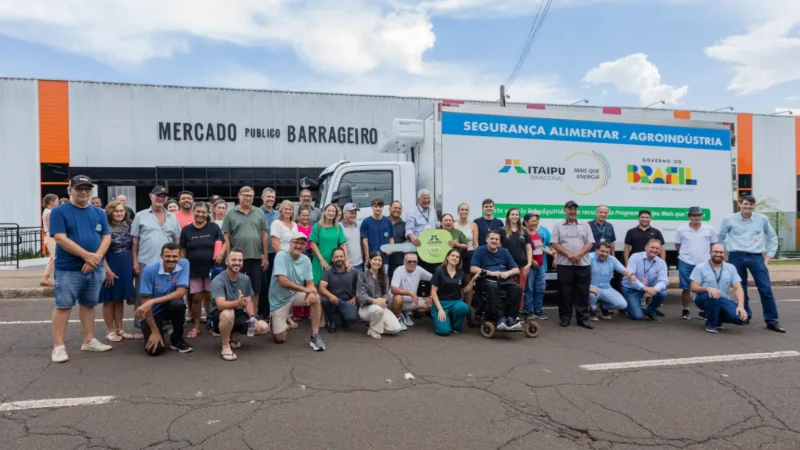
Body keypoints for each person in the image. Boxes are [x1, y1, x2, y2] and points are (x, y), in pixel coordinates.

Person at [49, 175, 113, 363]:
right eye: (79, 188)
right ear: (70, 191)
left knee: (89, 304)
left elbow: (106, 237)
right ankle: (58, 347)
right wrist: (87, 256)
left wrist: (95, 258)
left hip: (95, 267)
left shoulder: (99, 212)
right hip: (69, 268)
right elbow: (60, 238)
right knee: (63, 305)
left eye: (87, 188)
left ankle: (89, 340)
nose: (83, 192)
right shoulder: (59, 211)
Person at [718, 195, 784, 332]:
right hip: (736, 257)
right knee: (741, 288)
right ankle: (745, 315)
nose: (747, 207)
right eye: (745, 204)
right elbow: (721, 237)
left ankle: (772, 320)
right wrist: (724, 253)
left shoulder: (762, 219)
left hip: (756, 257)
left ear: (754, 206)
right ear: (740, 204)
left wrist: (769, 255)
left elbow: (772, 237)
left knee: (765, 289)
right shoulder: (729, 219)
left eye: (750, 205)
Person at [131, 186, 181, 337]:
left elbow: (176, 240)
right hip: (145, 261)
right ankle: (141, 326)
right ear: (150, 196)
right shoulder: (140, 216)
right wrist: (134, 261)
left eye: (163, 196)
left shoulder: (172, 217)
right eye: (157, 195)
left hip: (167, 263)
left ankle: (166, 324)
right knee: (143, 295)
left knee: (166, 293)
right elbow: (135, 241)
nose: (160, 198)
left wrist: (177, 260)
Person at [208, 248, 270, 361]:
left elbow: (248, 301)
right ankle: (225, 346)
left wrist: (252, 317)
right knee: (228, 313)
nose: (237, 263)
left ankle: (233, 337)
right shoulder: (218, 280)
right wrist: (237, 303)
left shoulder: (245, 279)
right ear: (227, 261)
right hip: (218, 317)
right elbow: (220, 305)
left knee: (264, 327)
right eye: (234, 260)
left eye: (240, 260)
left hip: (237, 313)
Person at [269, 231, 326, 351]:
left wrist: (311, 292)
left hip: (295, 295)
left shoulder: (306, 260)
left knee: (316, 298)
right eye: (296, 242)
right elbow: (282, 281)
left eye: (302, 243)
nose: (299, 246)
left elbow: (310, 282)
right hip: (279, 300)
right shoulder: (281, 256)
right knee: (280, 339)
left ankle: (315, 336)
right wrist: (306, 289)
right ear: (290, 243)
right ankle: (274, 321)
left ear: (305, 246)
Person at [134, 243, 193, 355]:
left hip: (169, 306)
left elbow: (180, 292)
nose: (171, 259)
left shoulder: (184, 264)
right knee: (155, 351)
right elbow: (145, 302)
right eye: (167, 256)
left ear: (180, 256)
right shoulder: (149, 270)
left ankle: (177, 339)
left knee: (178, 304)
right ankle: (157, 331)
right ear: (161, 256)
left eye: (174, 256)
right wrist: (155, 332)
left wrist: (153, 301)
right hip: (152, 312)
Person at [179, 202, 224, 339]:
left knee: (211, 297)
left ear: (208, 213)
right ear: (193, 212)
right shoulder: (186, 230)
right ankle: (196, 327)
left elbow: (224, 243)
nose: (200, 214)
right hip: (194, 269)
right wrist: (183, 268)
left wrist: (221, 253)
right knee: (197, 298)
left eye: (204, 212)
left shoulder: (213, 227)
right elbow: (182, 250)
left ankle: (213, 325)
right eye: (198, 211)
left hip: (212, 269)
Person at [222, 186, 269, 307]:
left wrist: (265, 256)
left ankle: (253, 314)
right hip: (237, 259)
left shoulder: (259, 213)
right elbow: (226, 237)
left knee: (255, 288)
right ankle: (237, 312)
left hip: (255, 257)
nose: (248, 198)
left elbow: (264, 235)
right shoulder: (230, 214)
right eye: (245, 195)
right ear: (239, 195)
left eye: (250, 196)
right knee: (235, 287)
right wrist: (228, 255)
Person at [551, 201, 594, 329]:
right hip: (564, 265)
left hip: (583, 264)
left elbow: (590, 242)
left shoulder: (585, 225)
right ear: (565, 210)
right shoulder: (558, 226)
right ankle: (565, 318)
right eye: (570, 209)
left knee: (583, 293)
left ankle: (583, 319)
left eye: (575, 209)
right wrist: (570, 255)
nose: (573, 211)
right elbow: (554, 243)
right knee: (565, 293)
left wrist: (579, 255)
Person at [470, 229, 522, 331]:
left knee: (517, 288)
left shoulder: (504, 252)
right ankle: (500, 318)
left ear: (499, 241)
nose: (494, 241)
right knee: (492, 286)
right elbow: (473, 268)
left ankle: (511, 318)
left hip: (503, 279)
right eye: (492, 238)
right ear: (486, 239)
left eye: (496, 239)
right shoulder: (479, 250)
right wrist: (491, 273)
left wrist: (508, 273)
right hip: (487, 279)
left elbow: (516, 269)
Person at [690, 243, 749, 334]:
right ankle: (711, 324)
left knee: (741, 319)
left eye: (721, 252)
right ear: (710, 253)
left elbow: (738, 288)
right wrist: (707, 288)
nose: (718, 254)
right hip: (703, 298)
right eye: (715, 252)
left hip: (723, 298)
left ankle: (713, 315)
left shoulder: (731, 268)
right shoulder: (700, 267)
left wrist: (741, 306)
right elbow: (693, 287)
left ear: (725, 254)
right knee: (713, 296)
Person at [99, 200, 135, 341]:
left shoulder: (128, 225)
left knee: (120, 297)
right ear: (110, 212)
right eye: (116, 211)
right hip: (110, 261)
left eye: (121, 211)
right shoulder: (104, 227)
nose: (119, 213)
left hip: (125, 262)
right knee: (109, 298)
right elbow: (100, 251)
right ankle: (109, 331)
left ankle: (119, 329)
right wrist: (107, 270)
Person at [675, 206, 718, 320]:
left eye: (698, 215)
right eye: (693, 215)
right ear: (689, 216)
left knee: (706, 287)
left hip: (704, 263)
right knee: (686, 288)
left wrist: (709, 258)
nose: (696, 217)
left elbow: (713, 244)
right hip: (686, 262)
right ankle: (686, 310)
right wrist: (686, 255)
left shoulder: (709, 229)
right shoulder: (681, 229)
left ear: (701, 216)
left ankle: (704, 311)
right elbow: (678, 245)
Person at [357, 252, 402, 338]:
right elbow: (361, 295)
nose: (377, 262)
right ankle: (374, 329)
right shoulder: (362, 275)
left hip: (381, 306)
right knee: (377, 309)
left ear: (382, 263)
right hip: (366, 308)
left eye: (379, 260)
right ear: (370, 260)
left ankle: (373, 327)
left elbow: (386, 293)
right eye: (375, 259)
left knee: (396, 329)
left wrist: (384, 300)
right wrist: (375, 301)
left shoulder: (384, 276)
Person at [588, 242, 637, 321]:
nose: (604, 254)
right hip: (590, 287)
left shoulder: (612, 259)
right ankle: (591, 310)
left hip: (606, 288)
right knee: (592, 295)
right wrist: (588, 287)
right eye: (602, 251)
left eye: (607, 252)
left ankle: (603, 307)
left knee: (622, 304)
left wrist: (631, 276)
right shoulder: (589, 257)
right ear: (596, 250)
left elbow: (624, 270)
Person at [430, 249, 475, 336]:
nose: (455, 258)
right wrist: (440, 309)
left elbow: (464, 290)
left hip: (456, 302)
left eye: (457, 257)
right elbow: (433, 292)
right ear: (447, 257)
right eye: (453, 255)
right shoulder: (439, 271)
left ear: (459, 260)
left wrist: (472, 281)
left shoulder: (461, 273)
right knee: (444, 331)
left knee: (464, 307)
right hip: (441, 303)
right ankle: (444, 321)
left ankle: (455, 326)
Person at [621, 239, 668, 321]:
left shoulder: (661, 262)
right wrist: (645, 288)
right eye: (652, 247)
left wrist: (655, 289)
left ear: (660, 250)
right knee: (638, 316)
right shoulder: (635, 257)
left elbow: (664, 280)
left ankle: (651, 311)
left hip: (647, 288)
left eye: (657, 248)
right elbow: (631, 276)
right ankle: (627, 306)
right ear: (646, 247)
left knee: (662, 292)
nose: (654, 250)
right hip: (631, 289)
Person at [319, 248, 359, 333]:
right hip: (333, 300)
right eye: (336, 257)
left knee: (352, 318)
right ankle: (332, 321)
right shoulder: (328, 271)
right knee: (325, 300)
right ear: (332, 259)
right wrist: (330, 296)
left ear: (345, 257)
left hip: (347, 301)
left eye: (341, 256)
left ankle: (344, 318)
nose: (339, 258)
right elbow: (321, 287)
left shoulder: (352, 270)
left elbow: (362, 285)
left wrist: (355, 297)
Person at [522, 211, 554, 320]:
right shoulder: (523, 233)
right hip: (531, 266)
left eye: (536, 221)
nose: (535, 223)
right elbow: (523, 250)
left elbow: (539, 247)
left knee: (540, 288)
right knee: (529, 289)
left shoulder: (535, 232)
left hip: (540, 265)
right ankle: (528, 310)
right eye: (533, 221)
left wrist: (550, 252)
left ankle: (538, 310)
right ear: (526, 222)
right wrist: (531, 261)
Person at [391, 252, 433, 330]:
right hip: (396, 301)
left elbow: (435, 280)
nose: (412, 264)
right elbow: (394, 289)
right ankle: (398, 318)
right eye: (409, 261)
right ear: (404, 262)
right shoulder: (399, 270)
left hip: (412, 301)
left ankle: (406, 313)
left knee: (431, 304)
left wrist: (430, 296)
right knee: (398, 298)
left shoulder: (419, 269)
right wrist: (411, 293)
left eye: (415, 262)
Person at [310, 204, 348, 285]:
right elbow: (313, 244)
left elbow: (342, 244)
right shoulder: (317, 226)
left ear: (336, 213)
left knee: (332, 285)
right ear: (324, 212)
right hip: (319, 262)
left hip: (334, 262)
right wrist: (322, 260)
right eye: (329, 210)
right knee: (318, 284)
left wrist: (346, 260)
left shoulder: (338, 227)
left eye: (333, 211)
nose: (331, 213)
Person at [405, 189, 440, 273]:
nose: (427, 200)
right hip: (419, 248)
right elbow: (408, 229)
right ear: (418, 199)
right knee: (419, 272)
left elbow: (436, 225)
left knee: (431, 272)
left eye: (428, 198)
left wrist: (447, 223)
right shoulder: (412, 212)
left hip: (431, 247)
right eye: (424, 198)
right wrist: (412, 236)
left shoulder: (432, 210)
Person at [500, 208, 532, 297]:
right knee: (508, 292)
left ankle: (520, 306)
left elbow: (529, 249)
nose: (515, 216)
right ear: (508, 216)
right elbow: (498, 247)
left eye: (517, 215)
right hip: (507, 266)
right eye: (512, 214)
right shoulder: (502, 231)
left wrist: (529, 264)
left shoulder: (524, 231)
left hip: (522, 267)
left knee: (520, 291)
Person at [360, 197, 395, 273]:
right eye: (375, 206)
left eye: (380, 206)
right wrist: (367, 258)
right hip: (371, 258)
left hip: (384, 259)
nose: (378, 208)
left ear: (383, 207)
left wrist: (391, 250)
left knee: (383, 279)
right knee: (369, 279)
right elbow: (365, 241)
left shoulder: (388, 221)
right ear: (372, 207)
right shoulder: (366, 222)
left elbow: (391, 238)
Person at [259, 188, 279, 319]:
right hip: (262, 254)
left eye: (273, 197)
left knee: (275, 283)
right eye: (268, 196)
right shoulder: (257, 213)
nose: (271, 199)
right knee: (263, 284)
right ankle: (263, 312)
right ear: (262, 197)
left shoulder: (278, 214)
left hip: (277, 254)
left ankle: (274, 311)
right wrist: (261, 254)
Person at [40, 193, 59, 287]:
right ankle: (45, 278)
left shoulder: (48, 211)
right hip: (51, 237)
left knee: (54, 257)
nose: (58, 203)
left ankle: (47, 278)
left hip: (50, 237)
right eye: (57, 201)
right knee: (55, 257)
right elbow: (50, 226)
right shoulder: (48, 212)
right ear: (51, 201)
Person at [387, 201, 407, 283]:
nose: (397, 210)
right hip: (383, 260)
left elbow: (408, 240)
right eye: (395, 208)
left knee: (397, 284)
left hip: (398, 261)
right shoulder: (383, 222)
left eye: (399, 208)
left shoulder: (405, 225)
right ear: (389, 209)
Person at [341, 203, 363, 271]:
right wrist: (345, 261)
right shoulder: (339, 227)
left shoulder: (359, 225)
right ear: (344, 213)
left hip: (359, 263)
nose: (353, 215)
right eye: (351, 213)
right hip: (346, 265)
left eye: (355, 213)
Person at [455, 203, 477, 270]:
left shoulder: (473, 225)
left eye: (466, 210)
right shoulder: (453, 224)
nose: (464, 211)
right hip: (456, 254)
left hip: (469, 254)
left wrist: (476, 257)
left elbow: (475, 244)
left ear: (468, 211)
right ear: (458, 211)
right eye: (462, 210)